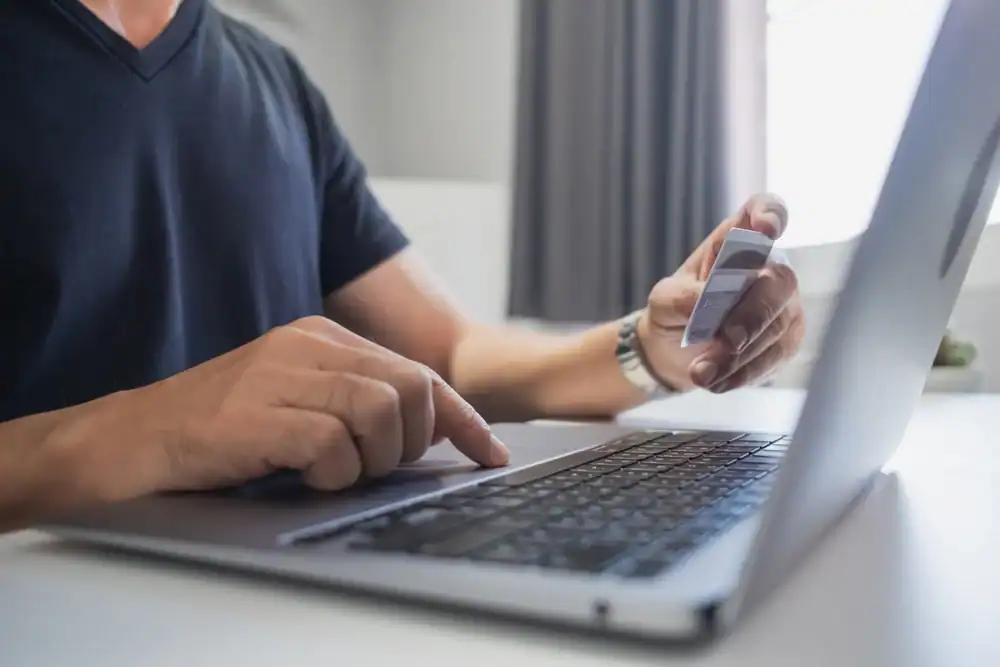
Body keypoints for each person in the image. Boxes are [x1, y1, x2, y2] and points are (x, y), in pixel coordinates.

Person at [0, 0, 804, 534]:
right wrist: (146, 431)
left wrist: (652, 350)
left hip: (286, 589)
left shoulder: (275, 81)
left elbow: (449, 358)